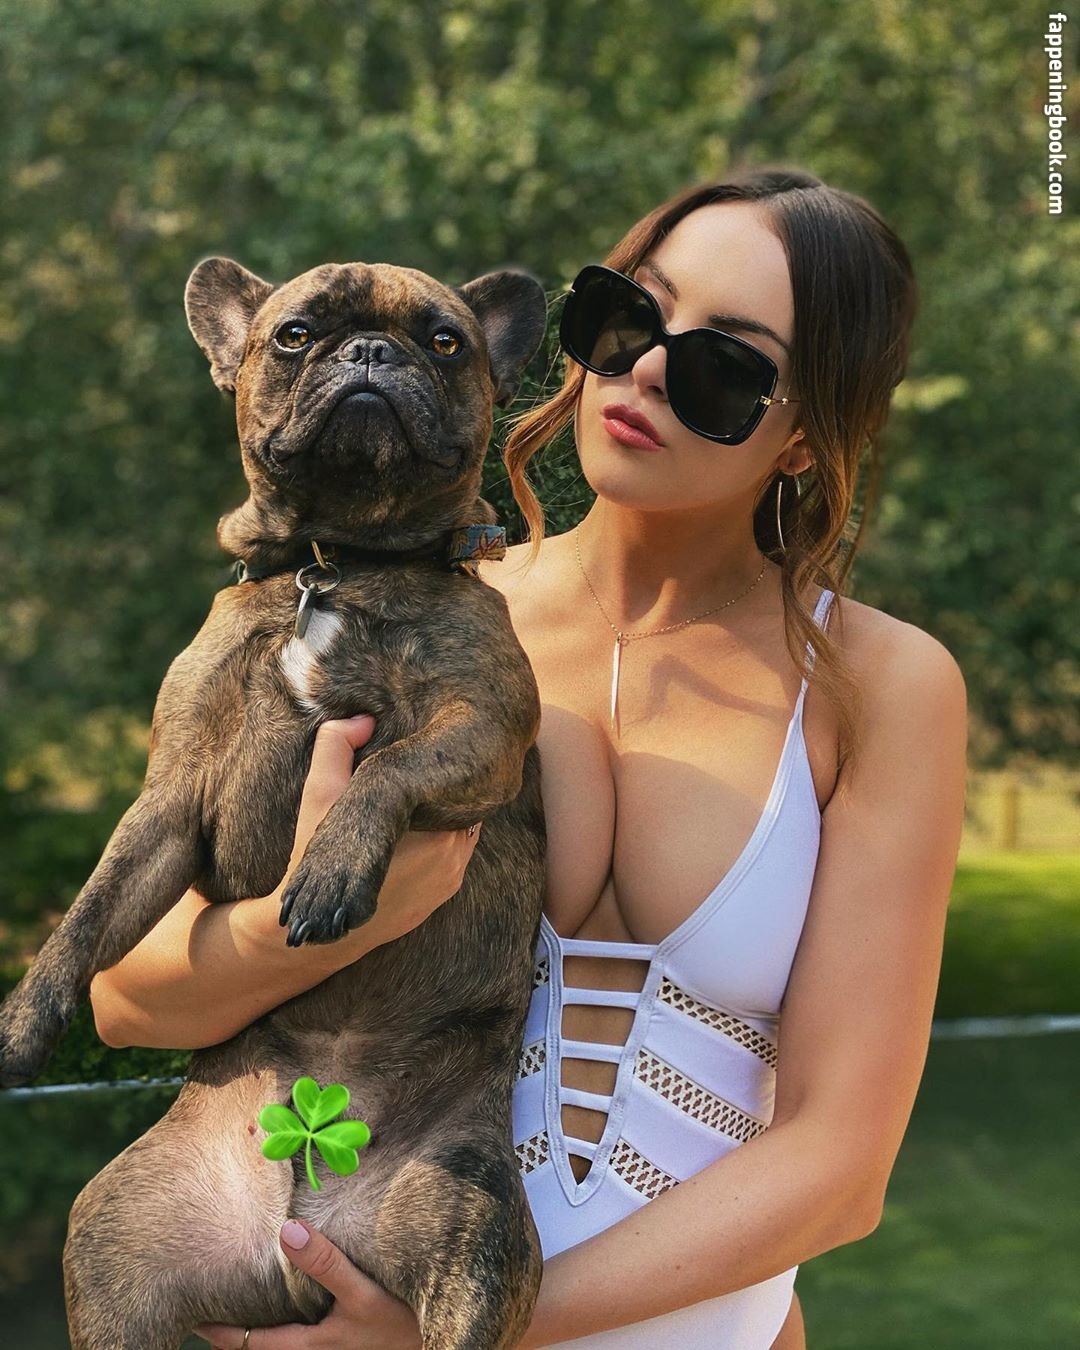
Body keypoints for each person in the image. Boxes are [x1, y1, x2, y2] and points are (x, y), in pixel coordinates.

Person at [89, 165, 968, 1349]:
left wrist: (453, 1332)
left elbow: (841, 1165)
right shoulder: (399, 622)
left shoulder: (881, 684)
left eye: (724, 366)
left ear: (806, 437)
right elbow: (123, 1002)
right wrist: (301, 926)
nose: (644, 369)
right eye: (627, 315)